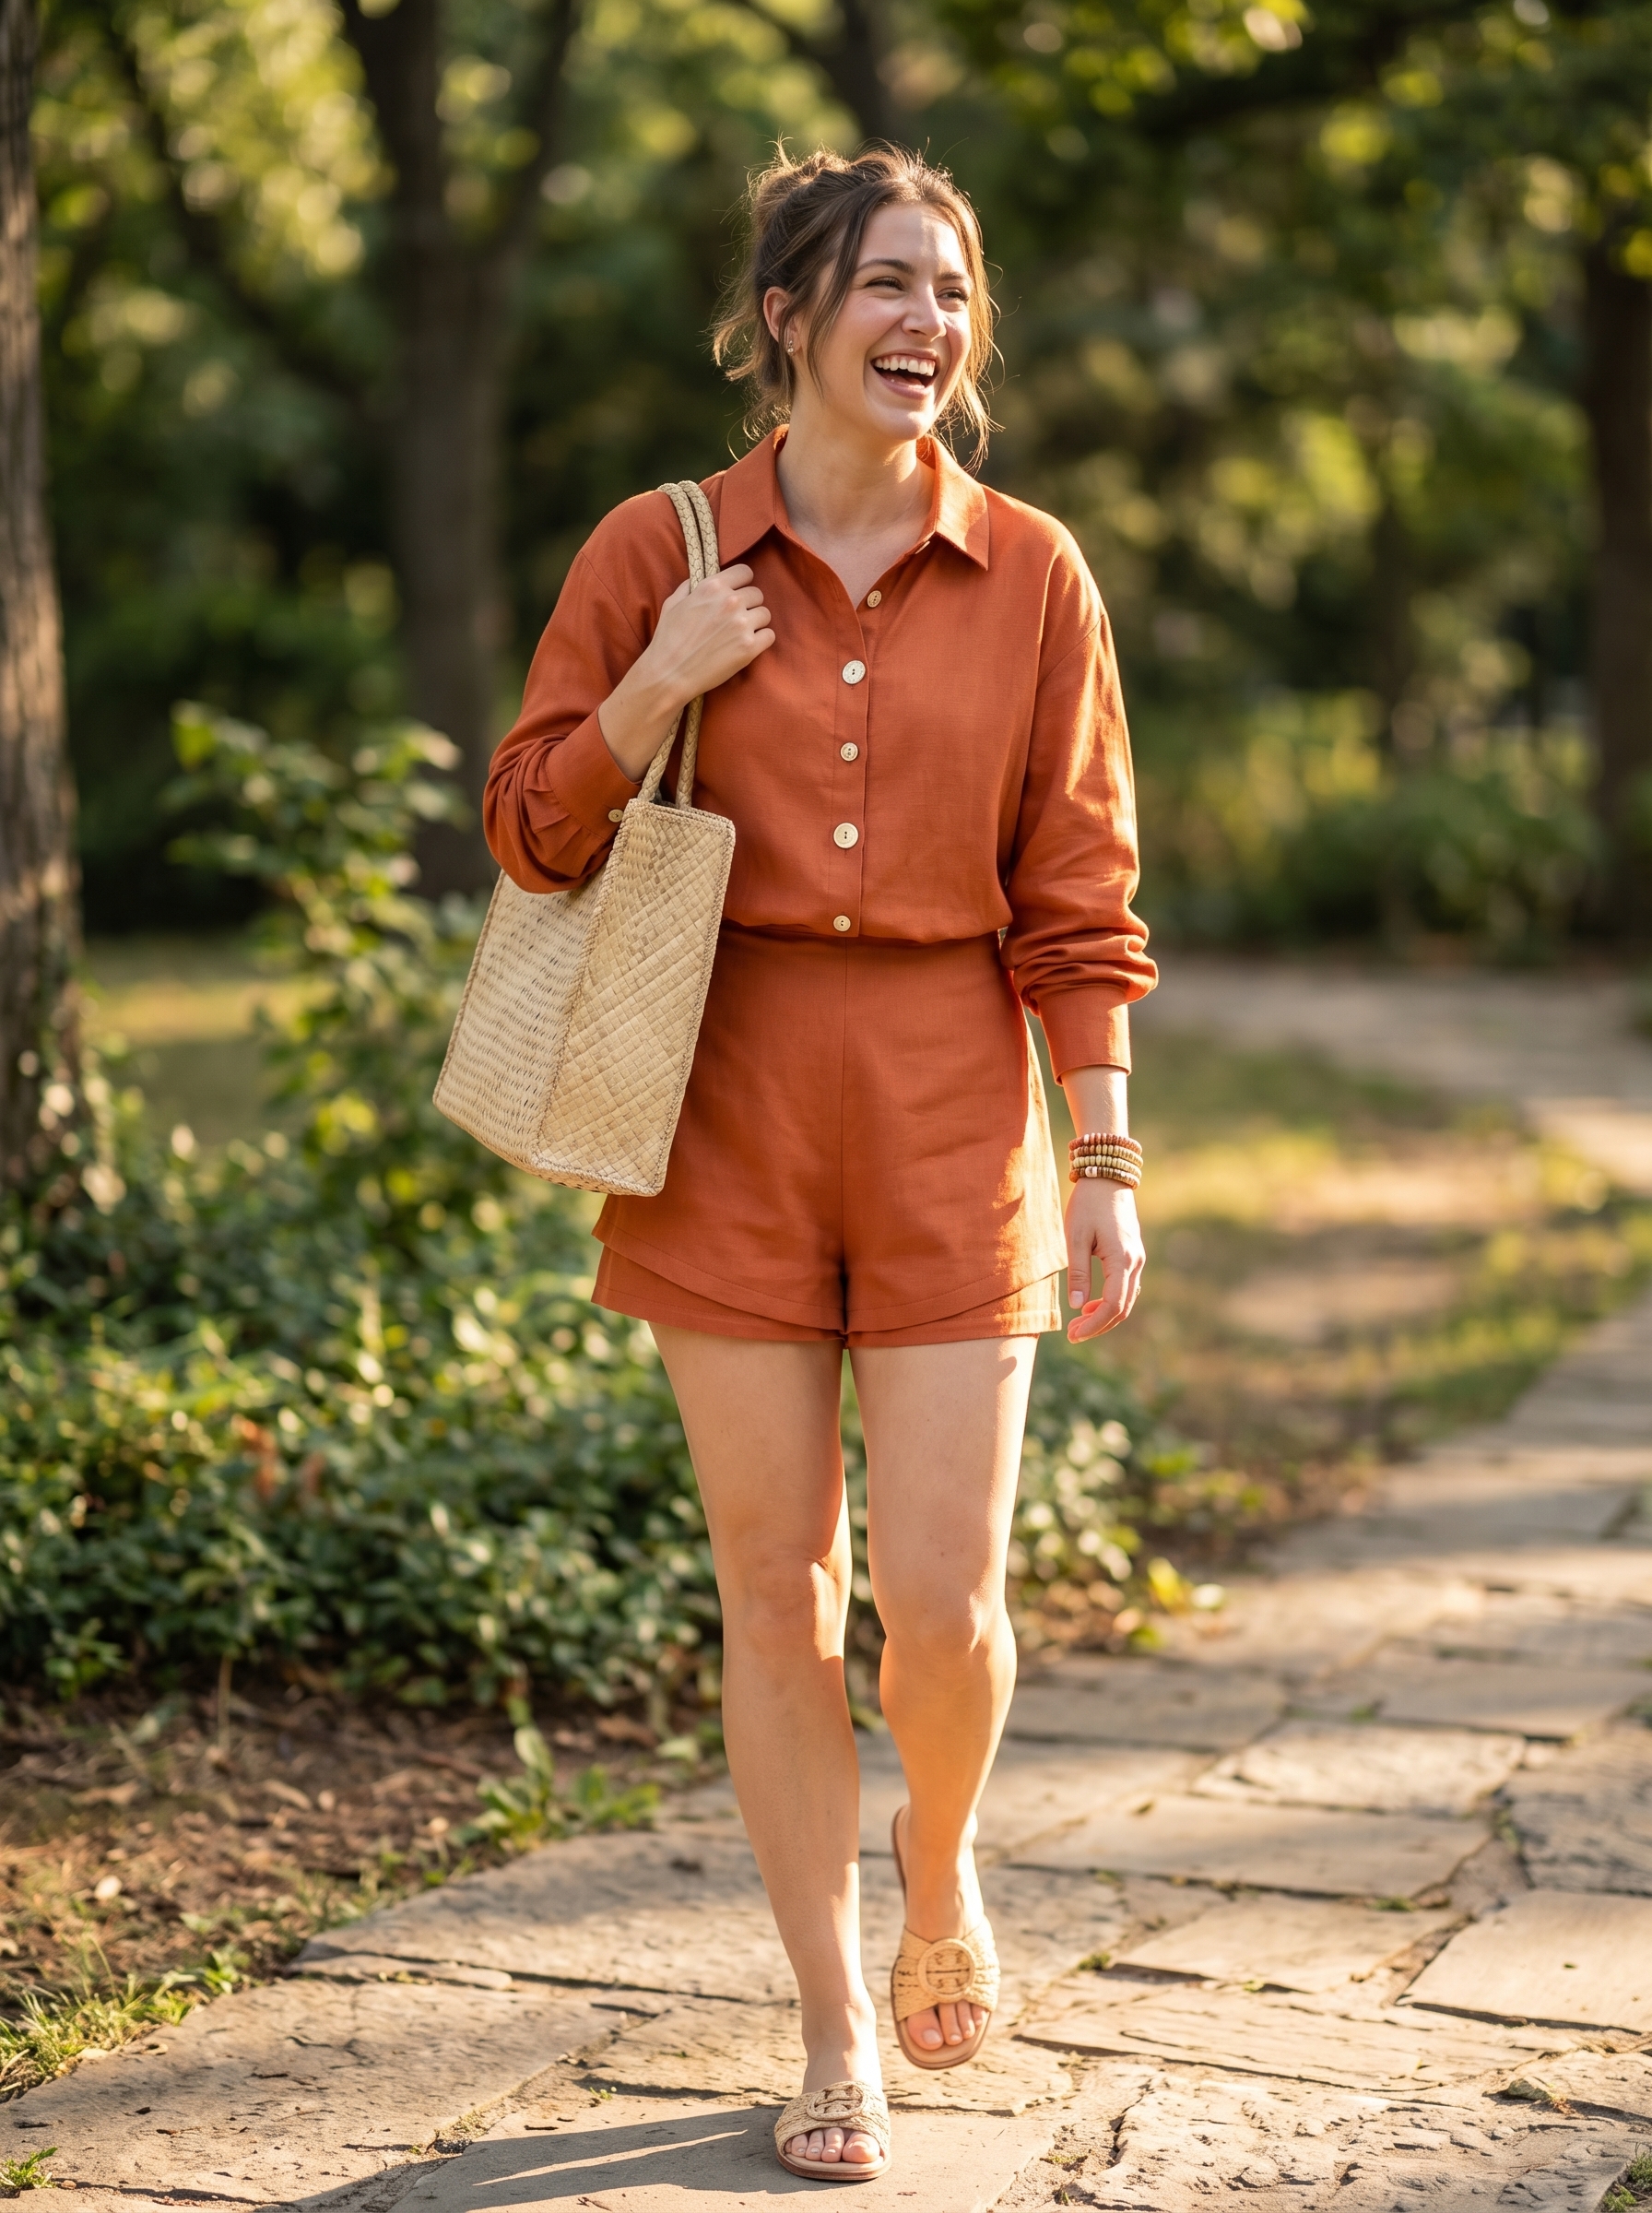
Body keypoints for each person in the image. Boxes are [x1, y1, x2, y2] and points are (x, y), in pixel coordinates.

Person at [484, 144, 1155, 2187]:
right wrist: (656, 687)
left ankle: (939, 1870)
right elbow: (529, 829)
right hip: (723, 1109)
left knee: (940, 1606)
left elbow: (1079, 887)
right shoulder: (656, 547)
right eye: (881, 284)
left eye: (949, 292)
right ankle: (831, 2012)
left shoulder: (1033, 568)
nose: (922, 325)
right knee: (773, 1593)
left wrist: (1104, 1149)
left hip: (960, 1109)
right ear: (786, 315)